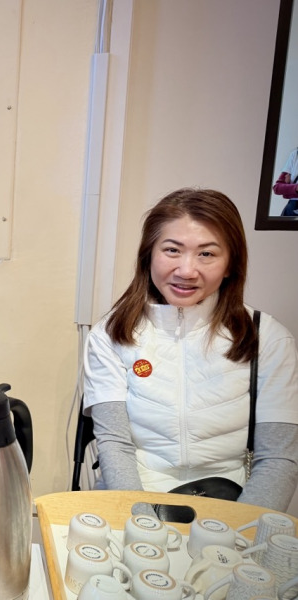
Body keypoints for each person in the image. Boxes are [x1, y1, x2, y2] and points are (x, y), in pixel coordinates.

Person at [83, 188, 298, 512]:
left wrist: (241, 529)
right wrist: (143, 523)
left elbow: (278, 458)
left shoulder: (268, 338)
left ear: (230, 264)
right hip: (132, 500)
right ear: (149, 254)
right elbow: (115, 445)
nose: (186, 270)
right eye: (172, 250)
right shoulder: (110, 335)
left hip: (231, 504)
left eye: (207, 254)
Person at [273, 147, 298, 216]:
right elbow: (277, 188)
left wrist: (289, 190)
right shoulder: (295, 154)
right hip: (292, 209)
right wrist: (295, 188)